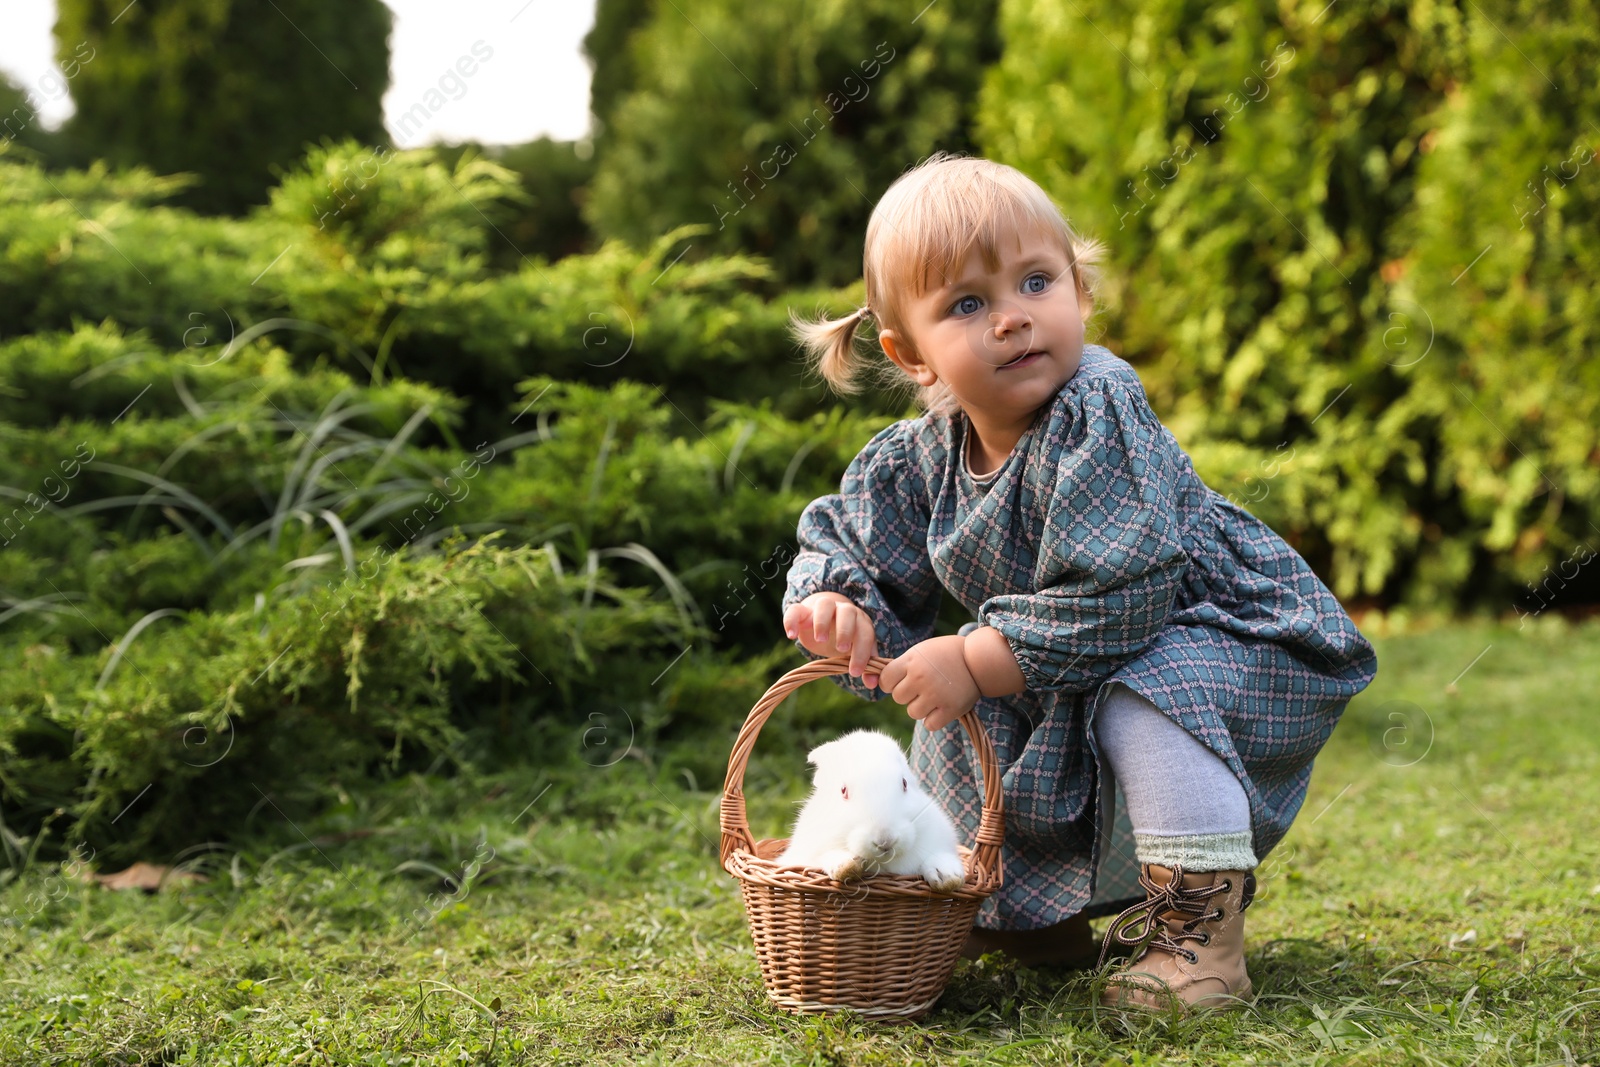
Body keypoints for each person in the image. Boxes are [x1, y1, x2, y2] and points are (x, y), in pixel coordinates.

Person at [779, 153, 1378, 1013]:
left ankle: (1199, 935)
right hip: (1065, 641)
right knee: (954, 701)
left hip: (1213, 628)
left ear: (1080, 293)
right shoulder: (917, 460)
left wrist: (977, 655)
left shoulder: (1098, 405)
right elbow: (848, 537)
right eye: (968, 304)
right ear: (910, 354)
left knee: (1137, 685)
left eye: (1034, 282)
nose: (1013, 320)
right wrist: (839, 600)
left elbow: (1126, 592)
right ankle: (1019, 914)